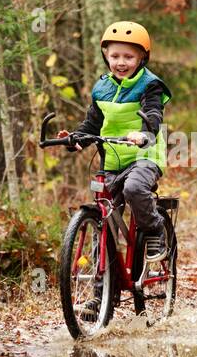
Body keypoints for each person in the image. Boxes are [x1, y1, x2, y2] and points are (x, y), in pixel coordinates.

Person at [67, 22, 171, 319]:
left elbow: (154, 114)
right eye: (115, 56)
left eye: (128, 57)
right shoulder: (101, 87)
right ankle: (102, 298)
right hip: (111, 161)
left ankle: (154, 231)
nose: (121, 62)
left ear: (142, 58)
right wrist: (77, 139)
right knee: (104, 226)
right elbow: (92, 125)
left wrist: (144, 131)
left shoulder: (151, 85)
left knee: (135, 189)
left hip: (144, 156)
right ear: (106, 56)